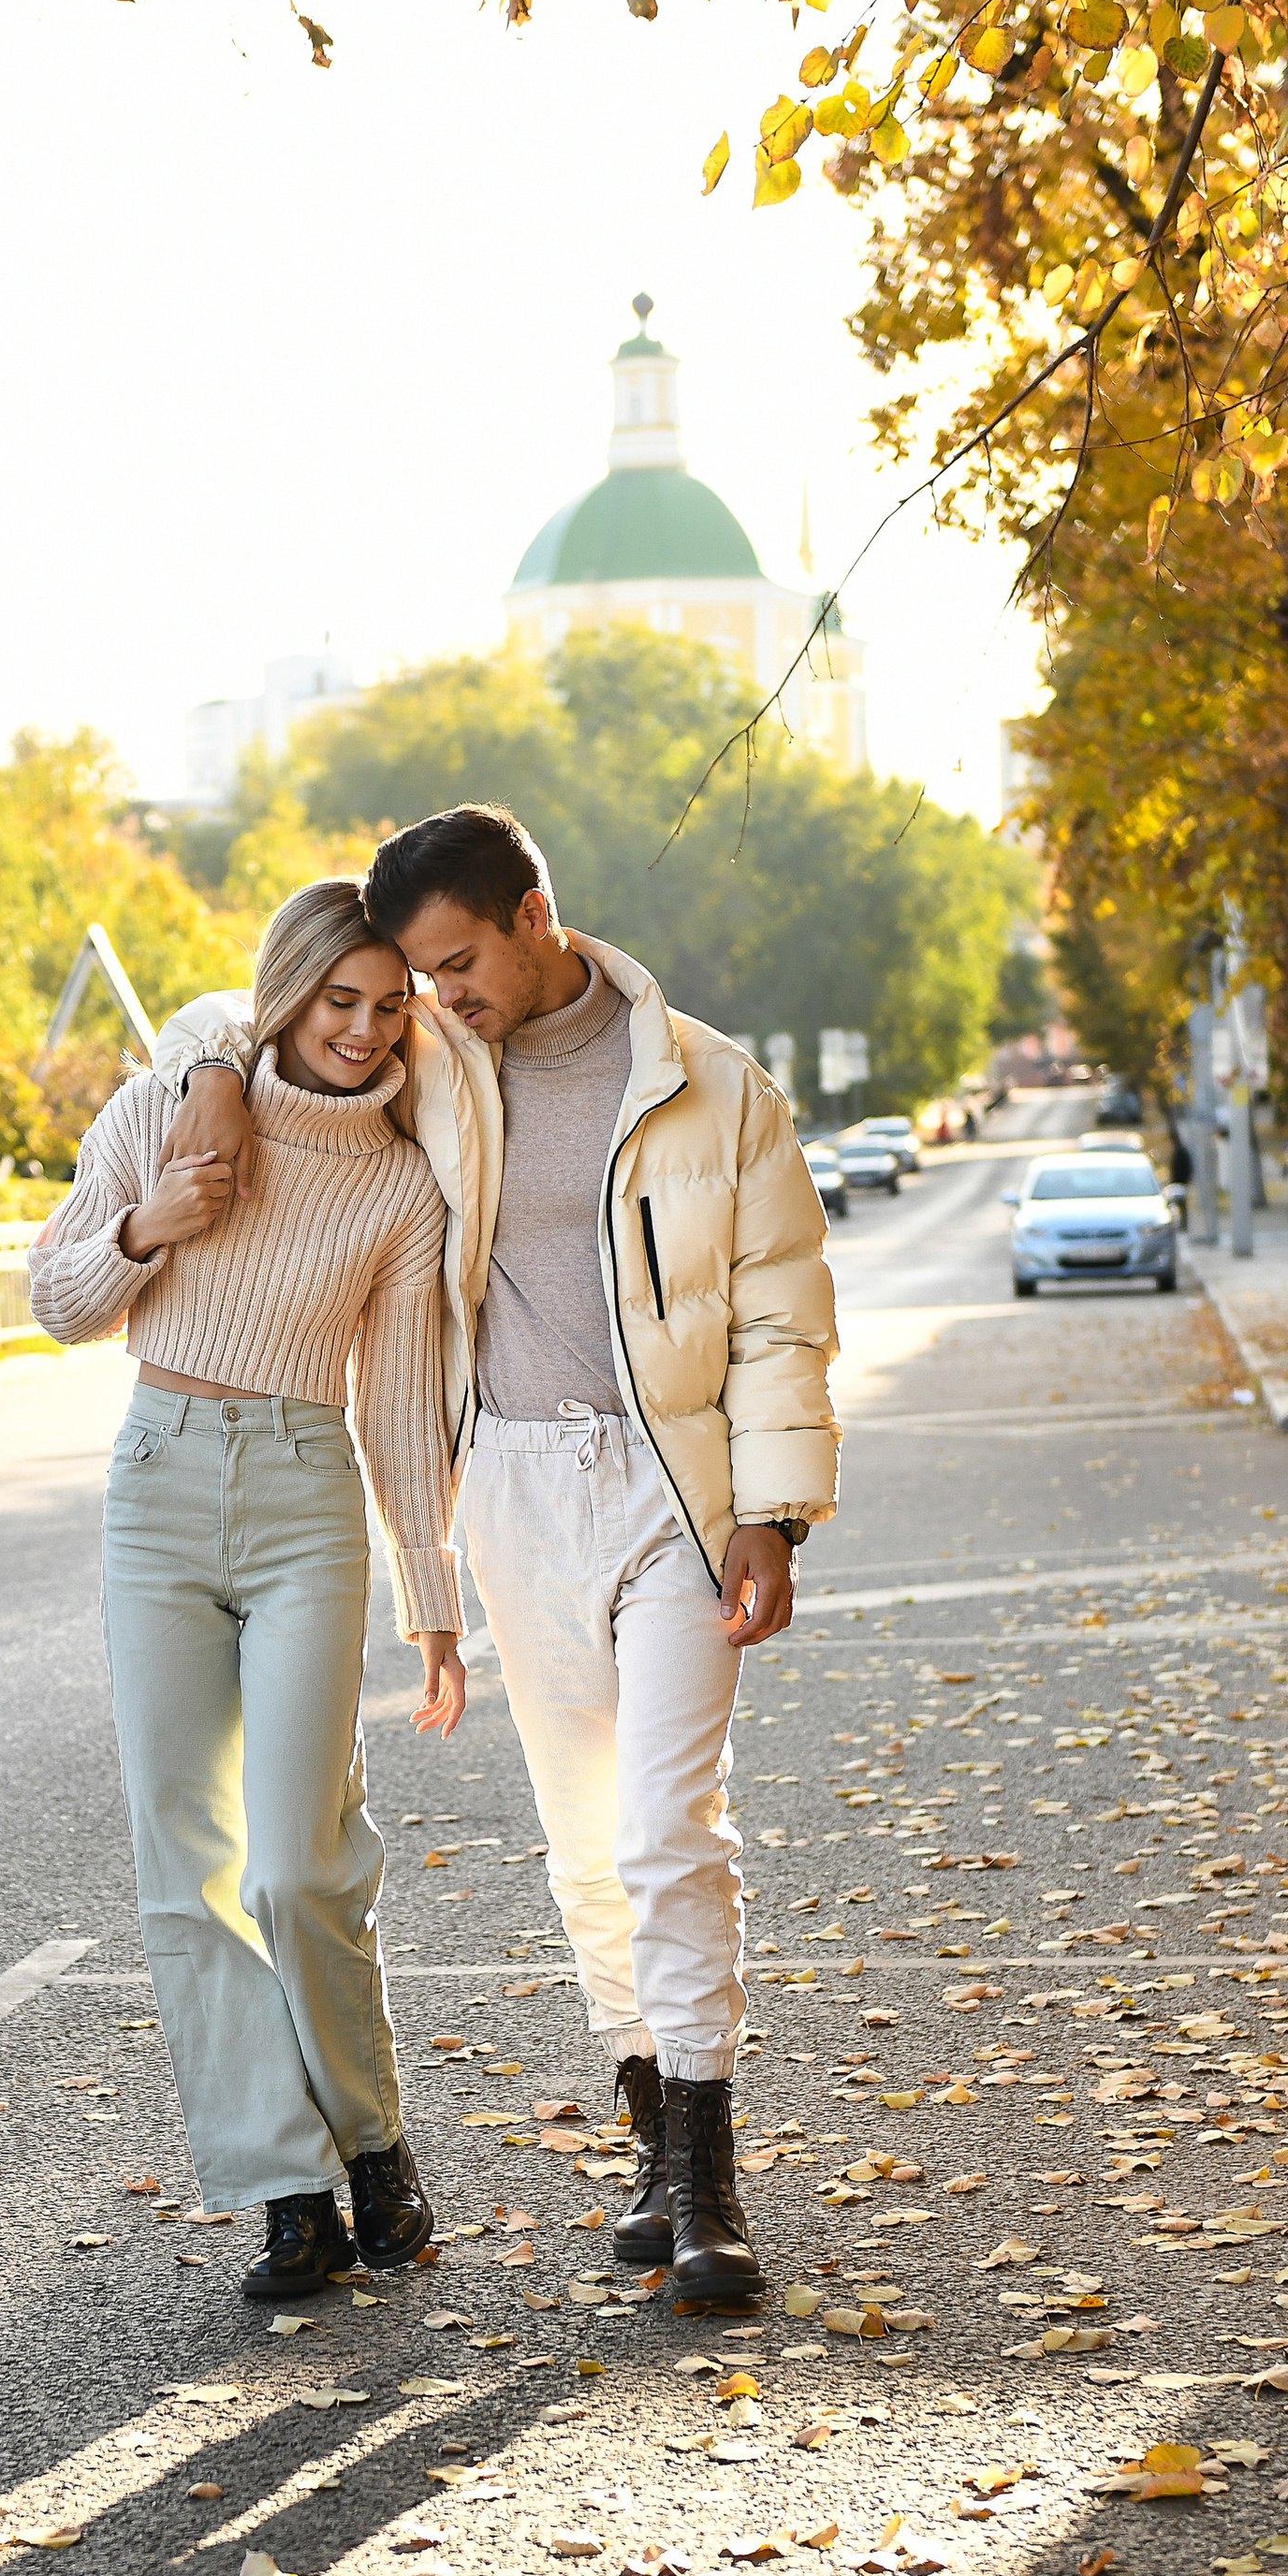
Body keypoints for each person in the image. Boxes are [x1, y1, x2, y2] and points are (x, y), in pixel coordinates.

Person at [155, 807, 840, 2310]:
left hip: (676, 1485)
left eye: (456, 965)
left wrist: (771, 1511)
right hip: (517, 1490)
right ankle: (652, 2145)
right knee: (588, 1839)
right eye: (416, 976)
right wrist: (214, 1071)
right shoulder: (436, 1064)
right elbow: (255, 1003)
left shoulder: (712, 1084)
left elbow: (785, 1307)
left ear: (537, 917)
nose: (432, 1000)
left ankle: (712, 2181)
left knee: (668, 1825)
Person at [29, 879, 469, 2302]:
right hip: (156, 1481)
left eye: (389, 1005)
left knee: (297, 1863)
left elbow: (399, 1398)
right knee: (186, 1864)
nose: (362, 1029)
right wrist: (147, 1224)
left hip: (301, 1491)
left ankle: (374, 2137)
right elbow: (56, 1299)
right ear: (284, 997)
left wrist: (433, 1589)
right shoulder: (168, 1107)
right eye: (337, 1001)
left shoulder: (403, 1181)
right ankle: (286, 2187)